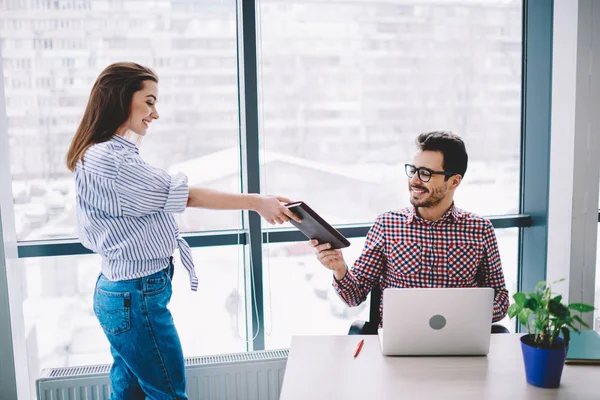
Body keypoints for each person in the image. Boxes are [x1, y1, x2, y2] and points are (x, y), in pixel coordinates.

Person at [66, 62, 299, 399]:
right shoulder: (113, 161)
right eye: (149, 101)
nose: (155, 113)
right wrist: (257, 202)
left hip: (122, 291)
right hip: (136, 295)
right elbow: (183, 195)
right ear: (121, 98)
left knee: (130, 391)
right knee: (169, 394)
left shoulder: (99, 154)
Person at [311, 131, 509, 332]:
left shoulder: (480, 230)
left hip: (460, 340)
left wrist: (467, 314)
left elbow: (501, 299)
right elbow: (354, 297)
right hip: (400, 345)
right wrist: (339, 269)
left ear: (454, 181)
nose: (414, 180)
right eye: (413, 170)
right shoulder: (387, 225)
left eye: (425, 173)